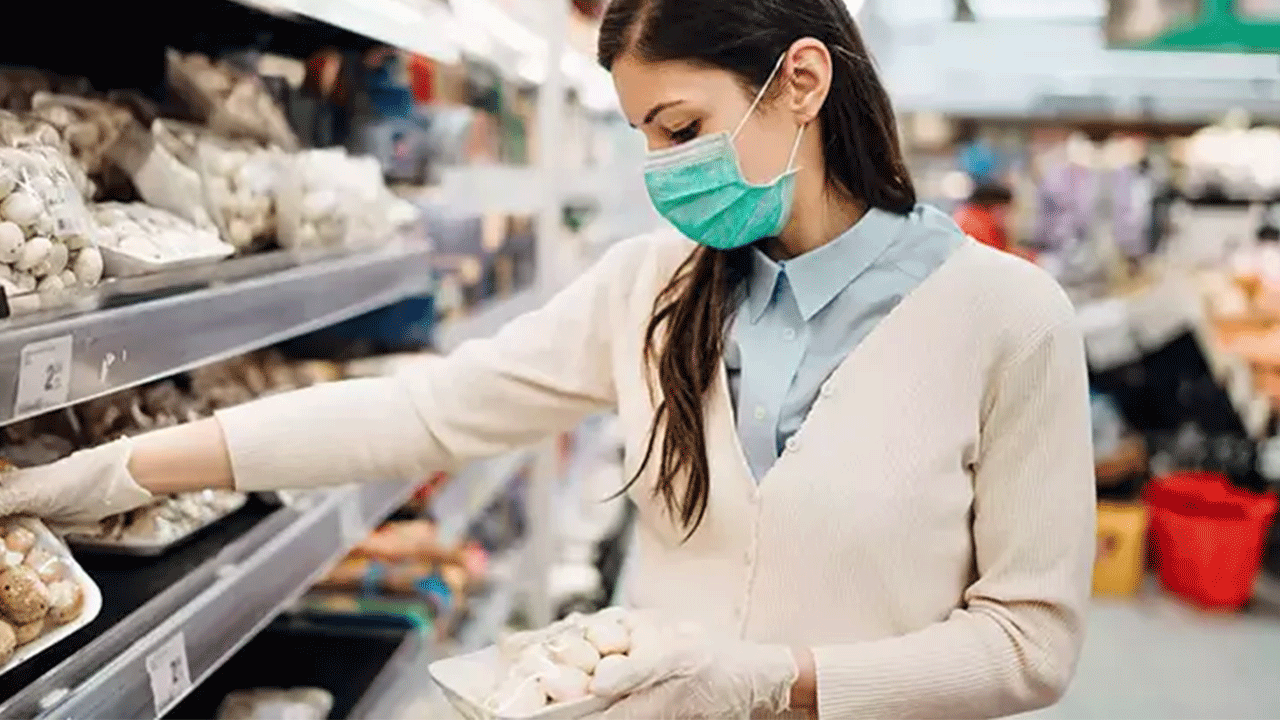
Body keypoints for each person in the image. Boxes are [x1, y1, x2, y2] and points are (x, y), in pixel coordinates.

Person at [0, 1, 1095, 718]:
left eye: (680, 128)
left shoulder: (1007, 319)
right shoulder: (653, 286)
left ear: (799, 82)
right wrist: (117, 471)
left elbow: (1025, 643)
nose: (663, 170)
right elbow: (424, 413)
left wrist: (775, 683)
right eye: (645, 138)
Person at [953, 183, 1015, 253]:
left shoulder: (963, 212)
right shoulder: (982, 226)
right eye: (1005, 210)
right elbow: (998, 253)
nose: (1007, 215)